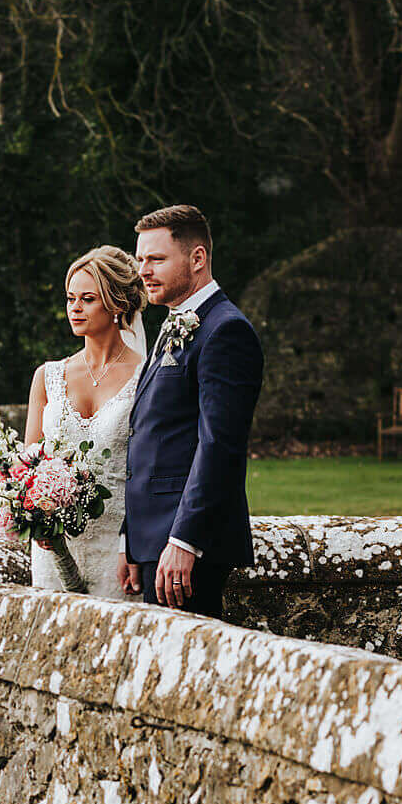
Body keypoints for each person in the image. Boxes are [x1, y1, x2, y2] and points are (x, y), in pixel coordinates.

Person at [116, 205, 263, 619]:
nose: (144, 271)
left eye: (157, 259)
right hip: (154, 540)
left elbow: (219, 445)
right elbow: (152, 435)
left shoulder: (224, 330)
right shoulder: (177, 322)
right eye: (141, 259)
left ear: (197, 259)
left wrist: (185, 541)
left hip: (185, 548)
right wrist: (133, 538)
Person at [25, 246, 147, 599]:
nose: (75, 308)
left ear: (117, 305)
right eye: (71, 298)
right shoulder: (47, 377)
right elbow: (26, 467)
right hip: (54, 550)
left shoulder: (146, 377)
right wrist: (32, 516)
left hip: (119, 551)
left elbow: (150, 468)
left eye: (88, 299)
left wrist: (136, 545)